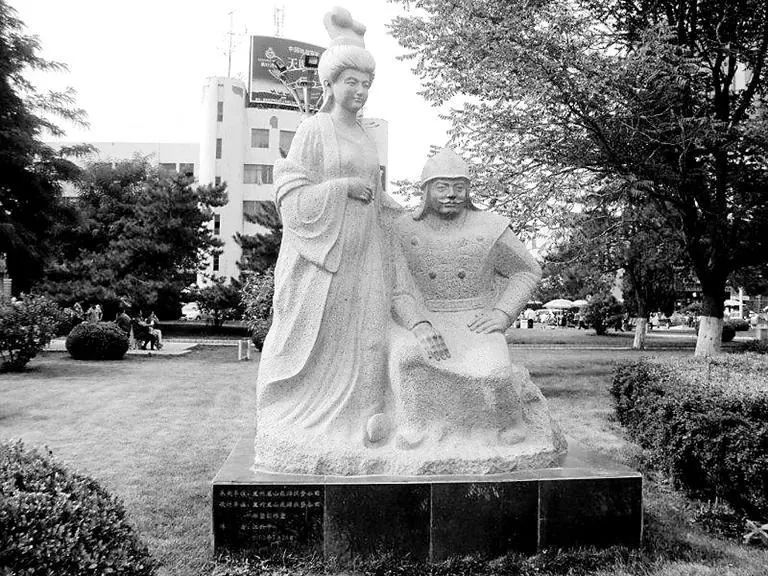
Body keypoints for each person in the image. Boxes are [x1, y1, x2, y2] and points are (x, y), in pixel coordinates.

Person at [254, 8, 427, 475]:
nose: (360, 91)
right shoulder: (314, 130)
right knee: (322, 336)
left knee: (367, 335)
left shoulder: (366, 137)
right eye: (352, 82)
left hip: (366, 252)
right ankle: (307, 420)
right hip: (324, 257)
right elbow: (291, 189)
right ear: (330, 84)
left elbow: (374, 192)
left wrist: (401, 210)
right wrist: (340, 188)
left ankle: (362, 419)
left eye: (366, 84)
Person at [387, 149, 566, 472]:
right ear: (426, 190)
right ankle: (415, 424)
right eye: (442, 186)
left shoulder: (491, 227)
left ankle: (509, 420)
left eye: (459, 187)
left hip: (476, 320)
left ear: (468, 190)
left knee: (495, 374)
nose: (451, 194)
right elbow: (397, 288)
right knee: (407, 357)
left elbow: (527, 270)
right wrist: (418, 324)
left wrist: (502, 314)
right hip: (428, 317)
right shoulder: (402, 230)